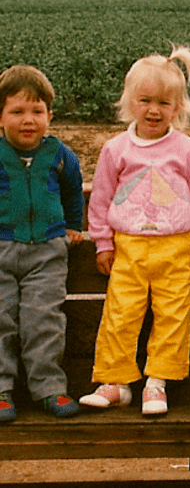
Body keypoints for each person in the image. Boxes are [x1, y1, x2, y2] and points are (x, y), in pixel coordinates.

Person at [80, 45, 190, 416]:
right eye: (145, 101)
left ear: (178, 107)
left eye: (164, 103)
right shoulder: (116, 150)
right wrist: (102, 242)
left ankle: (157, 382)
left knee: (174, 315)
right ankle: (115, 382)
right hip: (128, 249)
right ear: (130, 102)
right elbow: (101, 199)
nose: (154, 110)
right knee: (120, 314)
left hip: (176, 248)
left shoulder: (187, 151)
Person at [0, 65, 84, 422]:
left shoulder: (60, 155)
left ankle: (48, 387)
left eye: (37, 111)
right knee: (1, 318)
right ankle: (1, 389)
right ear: (0, 117)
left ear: (49, 115)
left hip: (47, 253)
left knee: (43, 319)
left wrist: (74, 226)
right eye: (17, 111)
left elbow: (73, 192)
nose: (28, 120)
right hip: (2, 248)